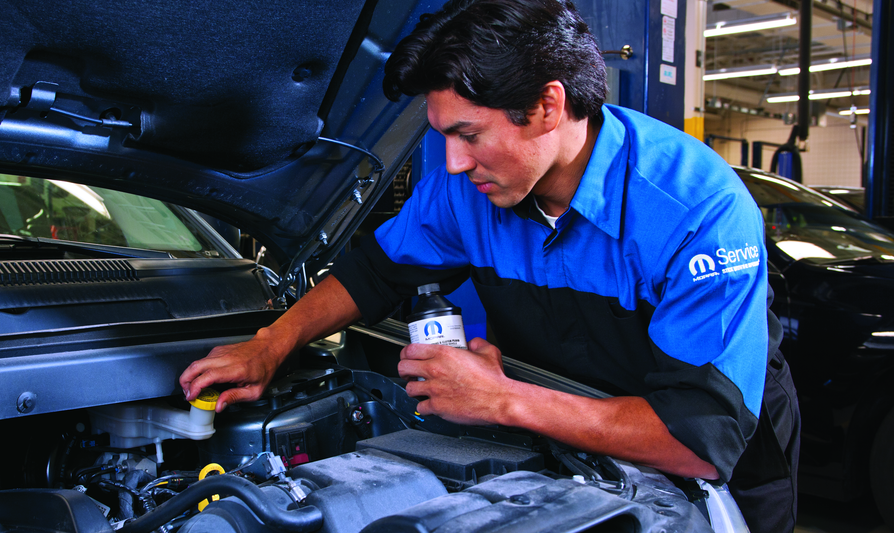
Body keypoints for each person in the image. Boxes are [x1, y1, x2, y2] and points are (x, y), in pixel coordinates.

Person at [180, 1, 800, 531]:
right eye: (443, 136)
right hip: (568, 441)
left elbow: (698, 439)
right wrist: (272, 342)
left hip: (718, 460)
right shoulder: (467, 193)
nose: (451, 163)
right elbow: (375, 273)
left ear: (548, 106)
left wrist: (501, 400)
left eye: (469, 135)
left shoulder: (695, 210)